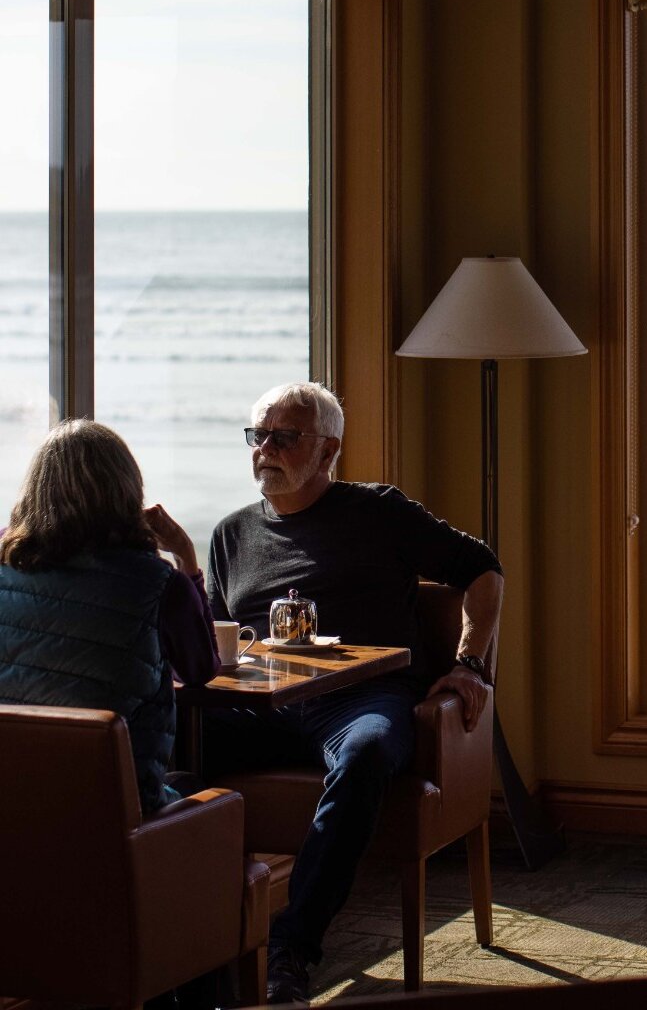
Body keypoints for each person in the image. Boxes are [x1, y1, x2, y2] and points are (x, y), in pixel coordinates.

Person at [205, 382, 504, 1005]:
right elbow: (213, 643)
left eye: (284, 438)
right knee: (159, 746)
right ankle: (196, 945)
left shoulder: (376, 512)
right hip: (264, 703)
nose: (266, 449)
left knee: (367, 753)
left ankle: (291, 947)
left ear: (328, 449)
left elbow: (481, 568)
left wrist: (471, 664)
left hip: (362, 698)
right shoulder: (231, 535)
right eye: (257, 436)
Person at [0, 419, 219, 814]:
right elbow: (201, 669)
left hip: (14, 803)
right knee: (192, 786)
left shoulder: (5, 560)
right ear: (127, 491)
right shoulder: (159, 585)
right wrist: (186, 556)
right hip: (112, 811)